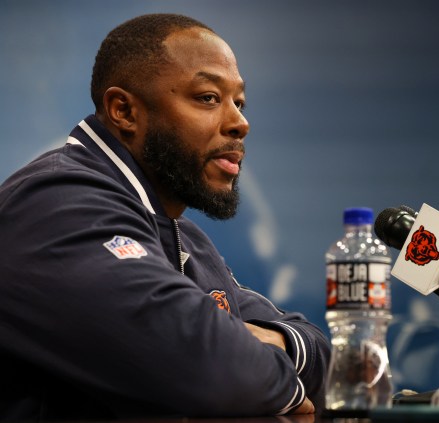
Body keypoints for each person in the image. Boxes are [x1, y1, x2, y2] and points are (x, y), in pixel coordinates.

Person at [0, 13, 330, 420]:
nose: (240, 123)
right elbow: (213, 369)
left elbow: (327, 360)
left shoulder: (183, 237)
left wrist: (275, 347)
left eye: (239, 102)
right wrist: (283, 386)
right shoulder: (56, 205)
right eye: (208, 97)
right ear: (123, 110)